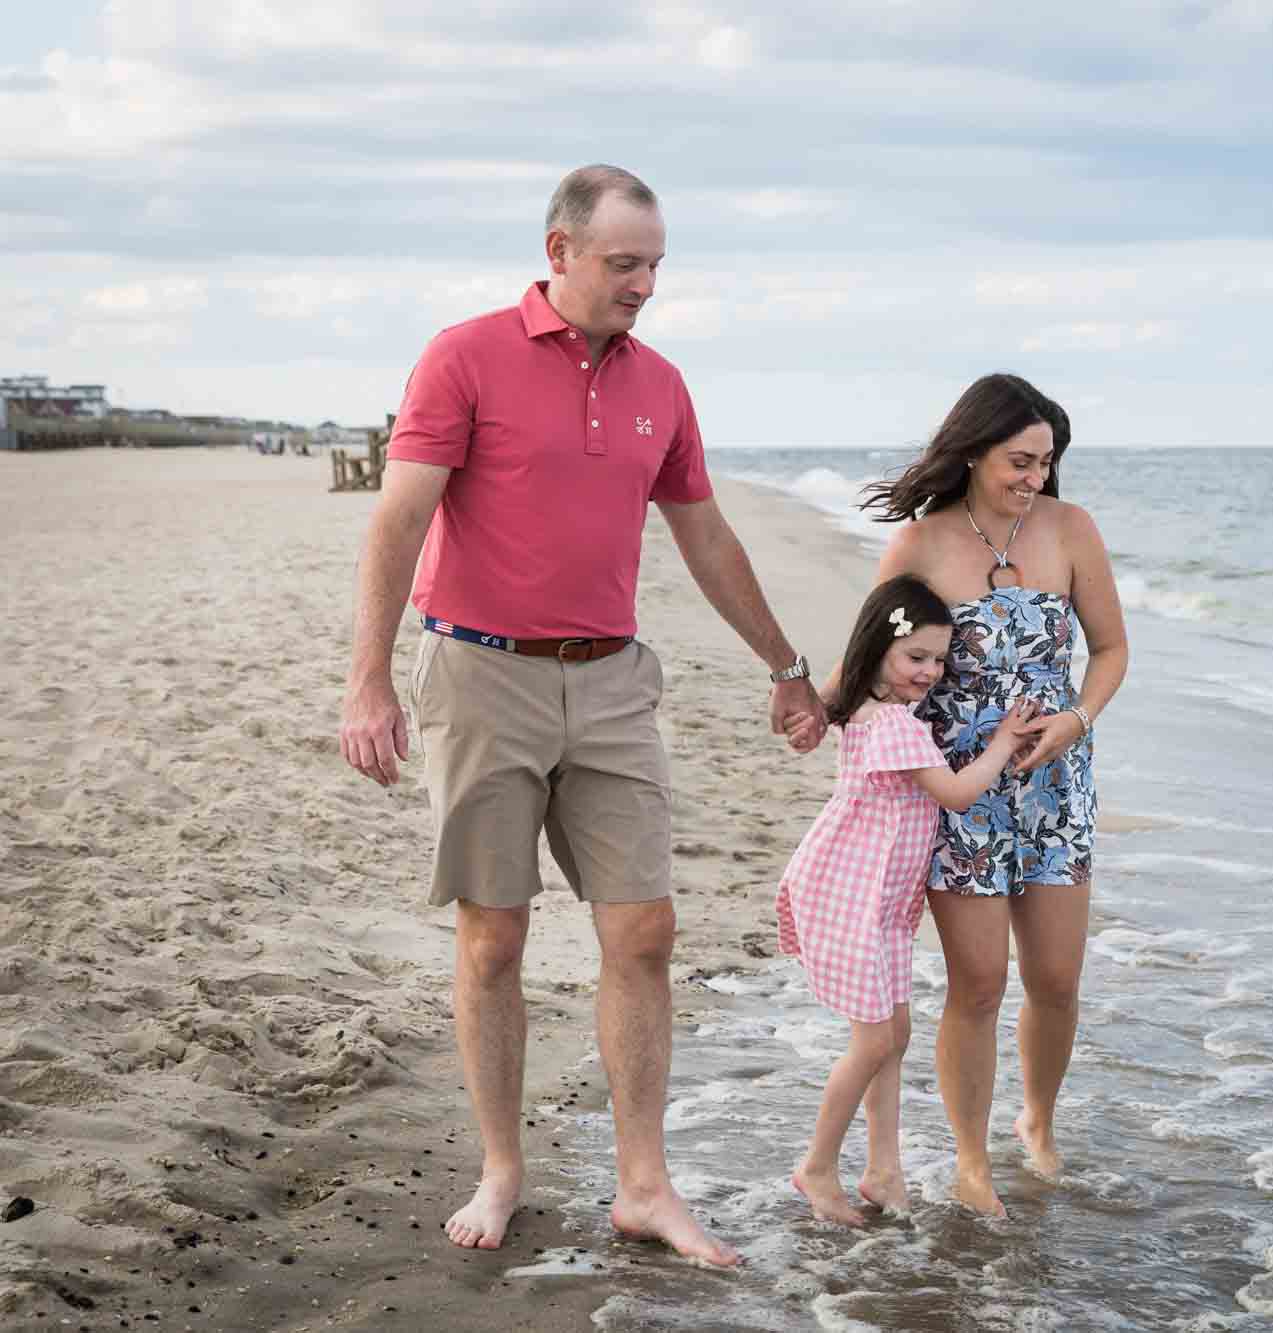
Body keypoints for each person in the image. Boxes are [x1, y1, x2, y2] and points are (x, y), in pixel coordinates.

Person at [336, 164, 827, 1265]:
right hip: (480, 675)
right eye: (623, 263)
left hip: (613, 682)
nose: (644, 284)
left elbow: (704, 537)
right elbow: (398, 520)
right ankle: (503, 1168)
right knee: (493, 938)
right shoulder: (462, 355)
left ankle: (643, 1184)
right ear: (558, 252)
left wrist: (785, 663)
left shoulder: (662, 380)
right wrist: (367, 679)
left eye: (655, 264)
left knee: (643, 931)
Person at [794, 373, 1129, 1217]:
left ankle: (1038, 1121)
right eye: (1019, 459)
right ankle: (971, 1160)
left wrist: (1078, 722)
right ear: (974, 451)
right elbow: (871, 651)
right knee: (978, 984)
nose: (1033, 476)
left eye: (1046, 461)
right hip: (958, 794)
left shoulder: (1072, 529)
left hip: (1056, 784)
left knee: (1056, 976)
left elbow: (1113, 649)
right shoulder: (920, 544)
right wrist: (809, 701)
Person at [778, 574, 1037, 1226]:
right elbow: (953, 793)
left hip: (883, 902)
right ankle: (816, 1165)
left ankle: (883, 1169)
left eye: (939, 659)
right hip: (855, 897)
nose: (930, 672)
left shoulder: (879, 710)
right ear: (880, 647)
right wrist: (1004, 743)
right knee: (872, 1042)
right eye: (915, 657)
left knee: (894, 1033)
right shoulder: (894, 724)